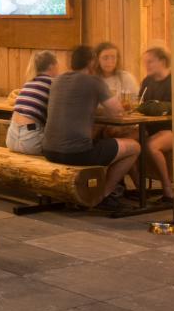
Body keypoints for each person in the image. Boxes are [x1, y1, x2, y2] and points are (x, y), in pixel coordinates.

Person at [42, 44, 140, 211]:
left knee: (102, 141)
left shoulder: (57, 80)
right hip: (76, 153)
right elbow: (117, 112)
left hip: (49, 150)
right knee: (134, 147)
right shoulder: (94, 81)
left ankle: (104, 189)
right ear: (92, 62)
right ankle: (104, 195)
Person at [138, 46, 174, 202]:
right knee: (129, 143)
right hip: (149, 127)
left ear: (163, 61)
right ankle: (140, 191)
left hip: (173, 129)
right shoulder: (147, 81)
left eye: (150, 62)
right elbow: (140, 104)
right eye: (145, 62)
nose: (147, 65)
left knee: (151, 146)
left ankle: (168, 189)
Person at [7, 51, 58, 156]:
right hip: (31, 142)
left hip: (11, 139)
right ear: (52, 66)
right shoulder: (53, 83)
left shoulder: (28, 83)